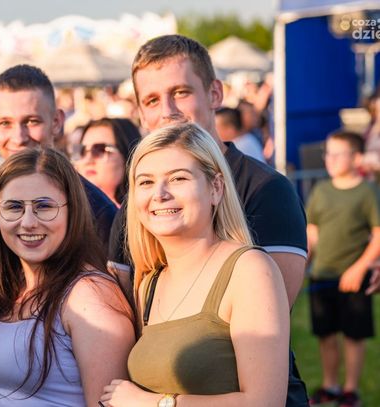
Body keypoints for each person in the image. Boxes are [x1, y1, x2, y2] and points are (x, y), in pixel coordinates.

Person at [107, 33, 308, 406]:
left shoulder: (266, 191)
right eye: (151, 100)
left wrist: (156, 403)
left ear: (215, 94)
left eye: (180, 92)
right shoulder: (137, 216)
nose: (167, 110)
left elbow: (261, 338)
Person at [100, 123, 289, 406]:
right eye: (146, 182)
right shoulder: (149, 283)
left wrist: (155, 403)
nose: (159, 194)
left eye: (178, 178)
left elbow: (265, 402)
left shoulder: (250, 270)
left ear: (215, 188)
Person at [0, 148, 135, 406]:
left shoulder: (90, 294)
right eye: (14, 207)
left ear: (71, 211)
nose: (28, 222)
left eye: (44, 206)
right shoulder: (7, 288)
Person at [0, 64, 116, 251]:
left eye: (31, 121)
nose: (19, 137)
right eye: (5, 123)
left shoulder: (97, 212)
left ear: (57, 122)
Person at [306, 130, 380, 407]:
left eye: (338, 154)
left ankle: (350, 390)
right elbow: (312, 234)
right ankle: (330, 386)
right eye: (328, 153)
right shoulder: (320, 191)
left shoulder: (367, 191)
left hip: (353, 278)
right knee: (325, 335)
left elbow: (378, 235)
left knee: (353, 336)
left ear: (357, 158)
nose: (331, 159)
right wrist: (302, 264)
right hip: (321, 275)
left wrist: (360, 268)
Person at [73, 118, 141, 206]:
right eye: (82, 151)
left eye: (100, 150)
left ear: (128, 156)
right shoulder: (67, 209)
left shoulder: (145, 211)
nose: (88, 160)